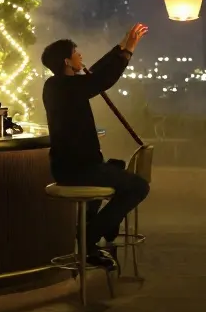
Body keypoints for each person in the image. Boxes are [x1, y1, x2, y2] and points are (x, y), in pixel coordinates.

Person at [41, 23, 149, 268]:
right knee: (139, 187)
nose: (81, 56)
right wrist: (127, 51)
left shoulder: (61, 86)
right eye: (76, 53)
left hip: (76, 167)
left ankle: (100, 228)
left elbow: (94, 76)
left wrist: (120, 48)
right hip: (77, 170)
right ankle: (90, 237)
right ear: (67, 61)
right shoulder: (63, 87)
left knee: (117, 167)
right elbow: (100, 79)